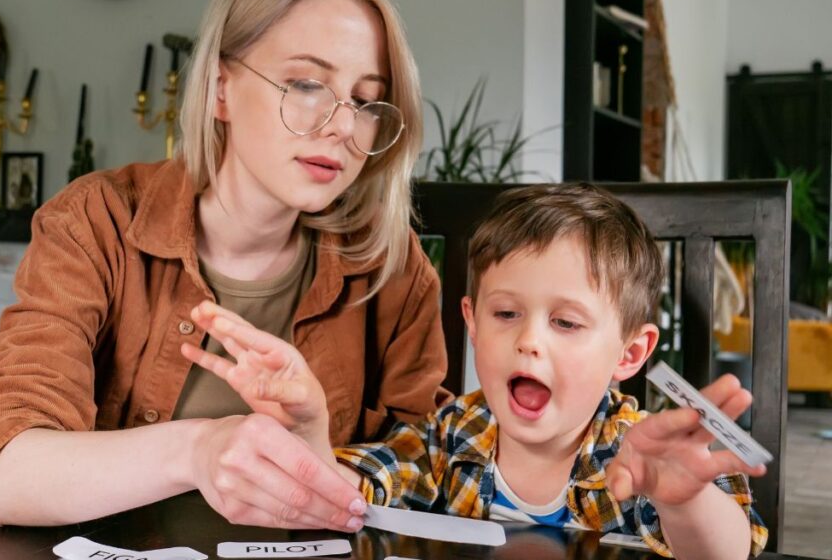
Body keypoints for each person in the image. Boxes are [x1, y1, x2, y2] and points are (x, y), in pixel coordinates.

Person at [0, 0, 450, 530]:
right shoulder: (95, 222)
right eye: (305, 84)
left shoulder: (393, 269)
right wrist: (198, 451)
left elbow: (435, 481)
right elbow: (1, 476)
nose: (344, 127)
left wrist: (320, 449)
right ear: (220, 88)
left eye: (367, 101)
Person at [183, 183, 769, 559]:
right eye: (506, 313)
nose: (528, 341)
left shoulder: (639, 454)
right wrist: (310, 426)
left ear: (629, 354)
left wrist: (684, 499)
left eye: (566, 323)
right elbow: (352, 500)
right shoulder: (451, 436)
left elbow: (726, 553)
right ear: (472, 321)